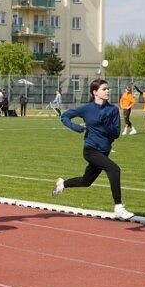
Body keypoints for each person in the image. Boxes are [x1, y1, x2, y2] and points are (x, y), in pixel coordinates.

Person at [52, 79, 134, 220]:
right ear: (95, 92)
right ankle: (118, 207)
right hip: (90, 150)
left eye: (108, 88)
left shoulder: (113, 110)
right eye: (104, 89)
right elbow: (64, 116)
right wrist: (77, 128)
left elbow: (115, 134)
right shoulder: (87, 109)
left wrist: (106, 125)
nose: (108, 91)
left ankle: (63, 184)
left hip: (104, 150)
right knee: (114, 169)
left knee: (86, 182)